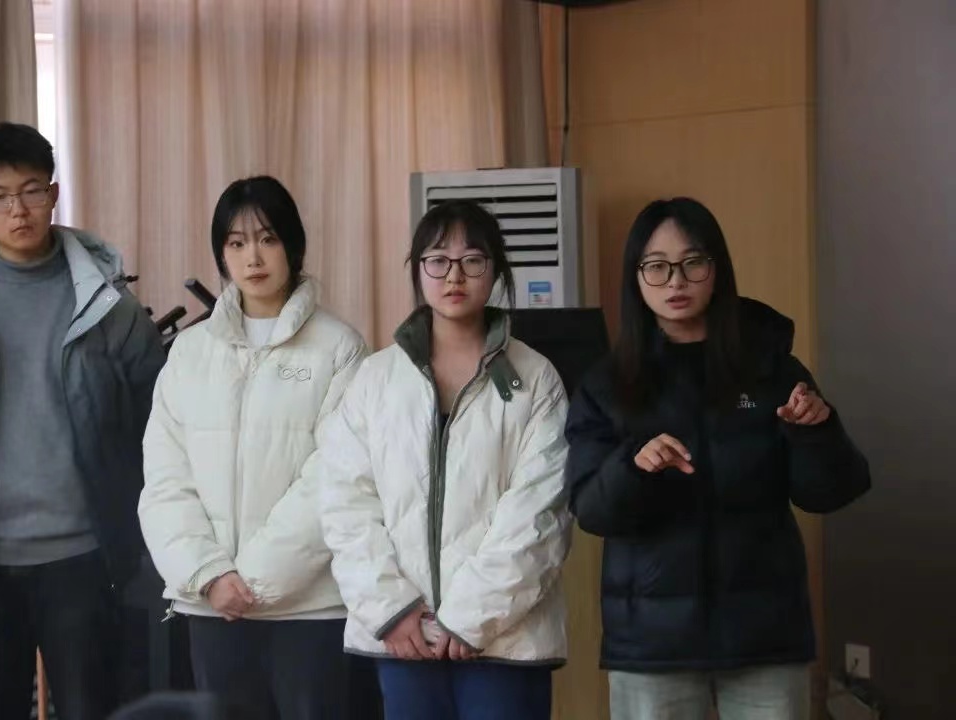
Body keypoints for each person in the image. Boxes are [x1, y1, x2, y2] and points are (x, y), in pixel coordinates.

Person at [565, 197, 872, 720]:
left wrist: (816, 430)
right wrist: (634, 467)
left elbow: (830, 492)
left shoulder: (771, 369)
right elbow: (590, 510)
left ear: (718, 269)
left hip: (764, 635)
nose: (676, 281)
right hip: (652, 644)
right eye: (657, 266)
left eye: (693, 263)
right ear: (635, 278)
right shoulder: (608, 384)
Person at [0, 122, 165, 720]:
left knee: (94, 708)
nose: (18, 210)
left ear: (54, 192)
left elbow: (154, 413)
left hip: (86, 555)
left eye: (32, 191)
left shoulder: (108, 305)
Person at [317, 200, 572, 720]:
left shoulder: (536, 378)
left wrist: (471, 618)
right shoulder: (375, 379)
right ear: (417, 270)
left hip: (504, 641)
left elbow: (540, 511)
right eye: (438, 260)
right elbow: (345, 503)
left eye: (472, 260)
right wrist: (393, 610)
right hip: (402, 639)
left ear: (496, 271)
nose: (454, 275)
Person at [138, 176, 372, 720]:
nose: (253, 257)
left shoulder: (340, 348)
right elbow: (165, 478)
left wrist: (253, 582)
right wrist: (210, 574)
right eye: (237, 243)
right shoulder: (190, 353)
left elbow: (337, 475)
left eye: (268, 239)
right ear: (221, 254)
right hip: (212, 605)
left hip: (309, 610)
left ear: (293, 245)